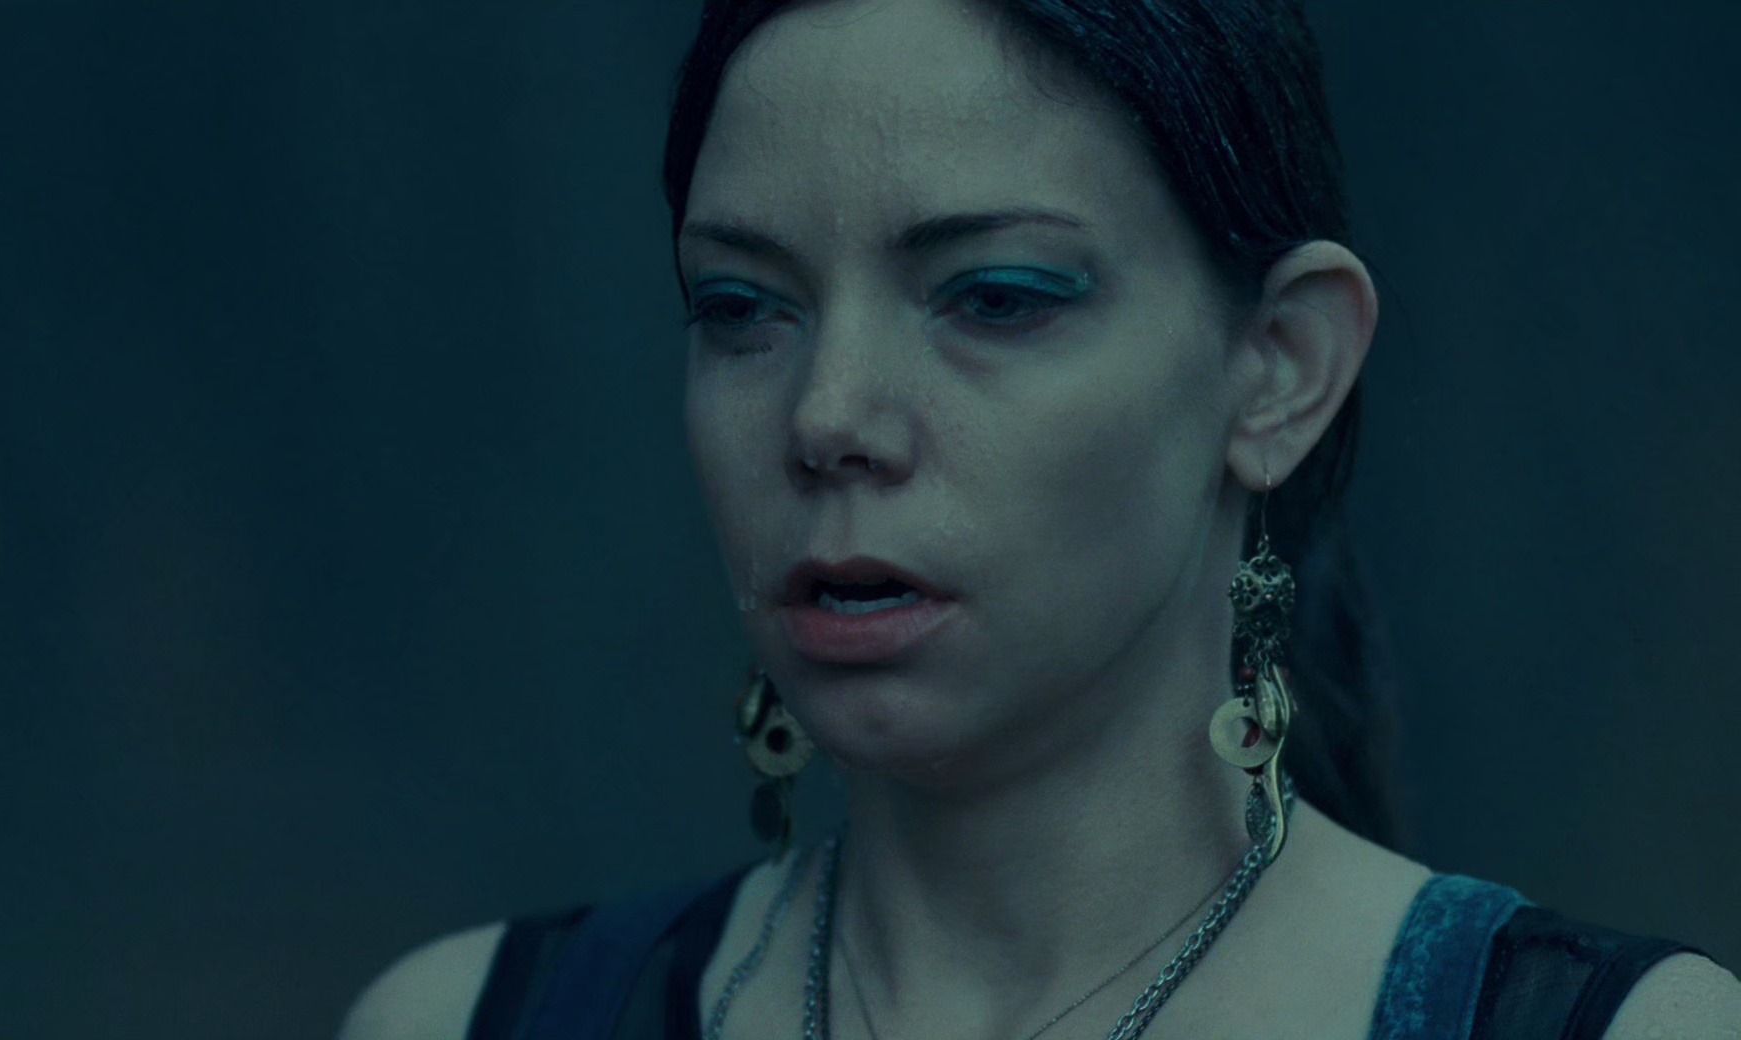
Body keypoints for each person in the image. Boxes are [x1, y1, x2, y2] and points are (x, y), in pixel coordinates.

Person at [338, 1, 1741, 1038]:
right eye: (742, 307)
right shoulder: (458, 1023)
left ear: (1281, 366)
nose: (827, 415)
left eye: (996, 296)